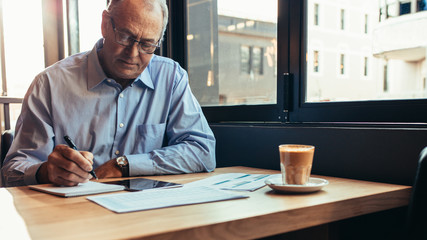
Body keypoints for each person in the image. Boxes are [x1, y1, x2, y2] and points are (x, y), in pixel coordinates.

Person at [1, 0, 216, 187]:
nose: (133, 54)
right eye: (125, 36)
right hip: (73, 217)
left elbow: (202, 151)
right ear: (105, 24)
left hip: (145, 212)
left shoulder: (171, 78)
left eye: (147, 45)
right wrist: (47, 171)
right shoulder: (49, 84)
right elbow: (13, 171)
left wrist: (125, 165)